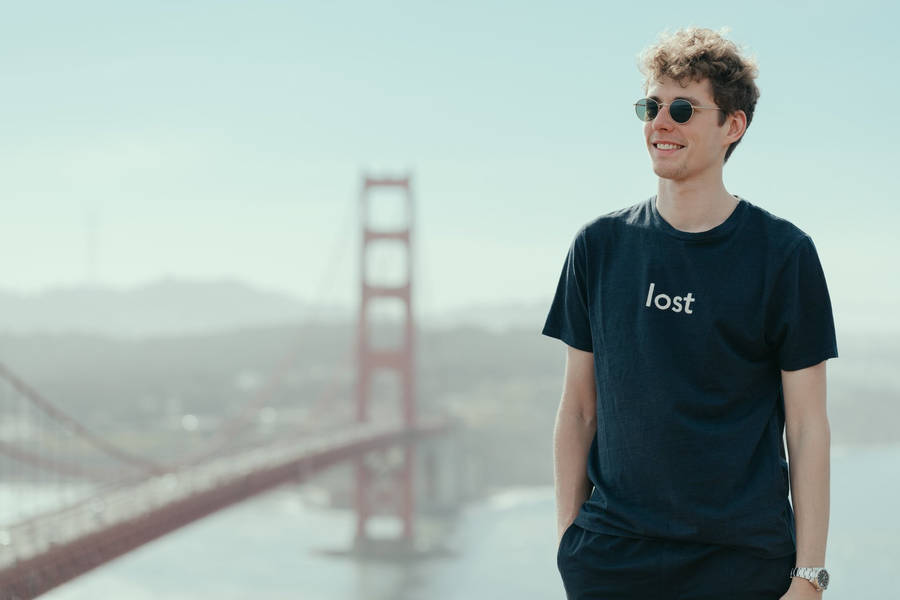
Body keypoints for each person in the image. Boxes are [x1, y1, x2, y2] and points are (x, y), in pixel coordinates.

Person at [541, 27, 837, 600]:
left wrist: (810, 576)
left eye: (682, 109)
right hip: (611, 562)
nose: (661, 123)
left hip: (742, 565)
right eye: (650, 107)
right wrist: (568, 544)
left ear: (733, 125)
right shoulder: (598, 247)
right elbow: (578, 408)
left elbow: (806, 426)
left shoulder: (784, 255)